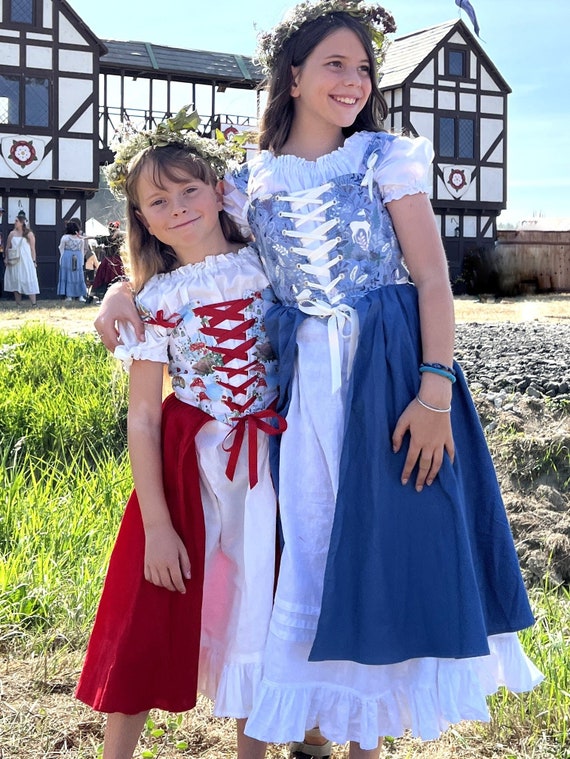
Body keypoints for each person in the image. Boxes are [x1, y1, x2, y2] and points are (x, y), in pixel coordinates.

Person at [93, 3, 543, 758]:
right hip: (304, 383)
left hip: (389, 370)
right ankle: (314, 723)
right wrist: (119, 293)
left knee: (385, 539)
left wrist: (434, 393)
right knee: (313, 544)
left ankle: (361, 732)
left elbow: (433, 278)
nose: (354, 80)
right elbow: (192, 248)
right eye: (336, 63)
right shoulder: (248, 180)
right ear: (293, 74)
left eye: (364, 67)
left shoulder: (384, 158)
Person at [75, 114, 282, 759]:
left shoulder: (272, 264)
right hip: (188, 468)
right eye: (157, 201)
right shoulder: (155, 299)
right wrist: (158, 525)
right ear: (140, 218)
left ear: (219, 188)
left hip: (273, 463)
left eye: (188, 189)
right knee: (153, 602)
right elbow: (143, 414)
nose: (176, 207)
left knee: (263, 608)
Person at [3, 212, 40, 306]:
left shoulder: (29, 234)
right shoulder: (12, 234)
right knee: (16, 280)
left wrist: (34, 261)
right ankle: (18, 303)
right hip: (15, 260)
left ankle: (34, 303)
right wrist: (6, 258)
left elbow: (32, 249)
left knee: (28, 279)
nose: (15, 223)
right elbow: (8, 247)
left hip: (26, 260)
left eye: (16, 221)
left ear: (21, 222)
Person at [57, 220, 88, 301]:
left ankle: (69, 296)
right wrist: (81, 261)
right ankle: (80, 295)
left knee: (67, 275)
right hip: (78, 256)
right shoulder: (80, 238)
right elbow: (82, 250)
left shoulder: (65, 237)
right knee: (78, 275)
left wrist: (62, 258)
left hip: (67, 256)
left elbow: (61, 248)